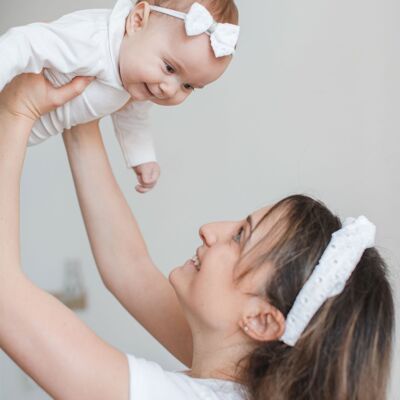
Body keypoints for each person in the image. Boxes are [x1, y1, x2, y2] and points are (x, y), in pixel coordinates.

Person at [0, 73, 394, 400]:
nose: (210, 230)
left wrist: (17, 110)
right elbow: (129, 269)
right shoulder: (243, 378)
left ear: (260, 320)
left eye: (240, 237)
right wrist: (81, 115)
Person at [0, 0, 239, 193]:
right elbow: (23, 43)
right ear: (137, 21)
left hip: (14, 136)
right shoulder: (91, 42)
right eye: (169, 68)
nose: (169, 89)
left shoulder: (138, 78)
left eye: (188, 86)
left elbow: (133, 113)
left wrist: (141, 155)